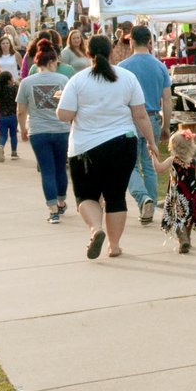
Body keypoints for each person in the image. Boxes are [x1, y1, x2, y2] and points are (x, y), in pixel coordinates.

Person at [56, 35, 158, 260]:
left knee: (86, 196)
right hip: (122, 143)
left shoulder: (78, 80)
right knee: (116, 196)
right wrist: (151, 142)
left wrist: (62, 100)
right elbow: (140, 115)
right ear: (112, 52)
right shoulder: (127, 77)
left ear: (88, 53)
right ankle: (114, 245)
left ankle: (96, 229)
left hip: (85, 148)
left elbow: (64, 115)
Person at [118, 25, 172, 224]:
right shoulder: (160, 66)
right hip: (152, 117)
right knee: (150, 164)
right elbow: (167, 99)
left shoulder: (122, 67)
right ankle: (151, 208)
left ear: (131, 41)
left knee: (128, 166)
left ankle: (143, 198)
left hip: (129, 119)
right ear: (150, 41)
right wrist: (166, 125)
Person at [17, 39, 71, 223]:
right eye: (56, 62)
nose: (57, 65)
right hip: (62, 130)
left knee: (47, 170)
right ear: (50, 62)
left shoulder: (27, 82)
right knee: (60, 168)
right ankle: (62, 201)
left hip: (38, 131)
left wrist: (23, 128)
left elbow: (21, 110)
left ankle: (53, 209)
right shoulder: (63, 80)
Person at [151, 129, 196, 253]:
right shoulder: (194, 162)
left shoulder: (172, 160)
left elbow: (159, 169)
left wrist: (153, 156)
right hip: (191, 195)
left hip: (176, 195)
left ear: (172, 147)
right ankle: (187, 239)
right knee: (189, 217)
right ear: (191, 146)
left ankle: (183, 239)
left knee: (177, 218)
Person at [0, 71, 20, 161]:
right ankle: (14, 152)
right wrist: (16, 84)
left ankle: (1, 147)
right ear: (8, 81)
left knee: (3, 136)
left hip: (1, 116)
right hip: (12, 116)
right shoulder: (13, 89)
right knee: (13, 135)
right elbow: (18, 91)